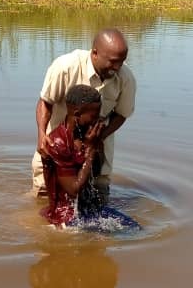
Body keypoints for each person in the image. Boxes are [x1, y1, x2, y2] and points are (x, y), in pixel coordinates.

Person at [32, 28, 136, 204]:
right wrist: (42, 134)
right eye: (113, 61)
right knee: (45, 200)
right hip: (57, 150)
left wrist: (95, 141)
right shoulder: (66, 67)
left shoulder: (125, 78)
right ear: (95, 53)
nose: (117, 67)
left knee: (98, 200)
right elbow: (46, 102)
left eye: (122, 61)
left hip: (97, 152)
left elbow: (121, 115)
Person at [41, 84, 139, 232]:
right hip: (66, 217)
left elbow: (96, 172)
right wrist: (91, 149)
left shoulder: (86, 135)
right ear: (78, 113)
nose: (97, 121)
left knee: (136, 230)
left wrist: (94, 144)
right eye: (94, 116)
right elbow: (73, 190)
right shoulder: (58, 142)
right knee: (119, 239)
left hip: (88, 210)